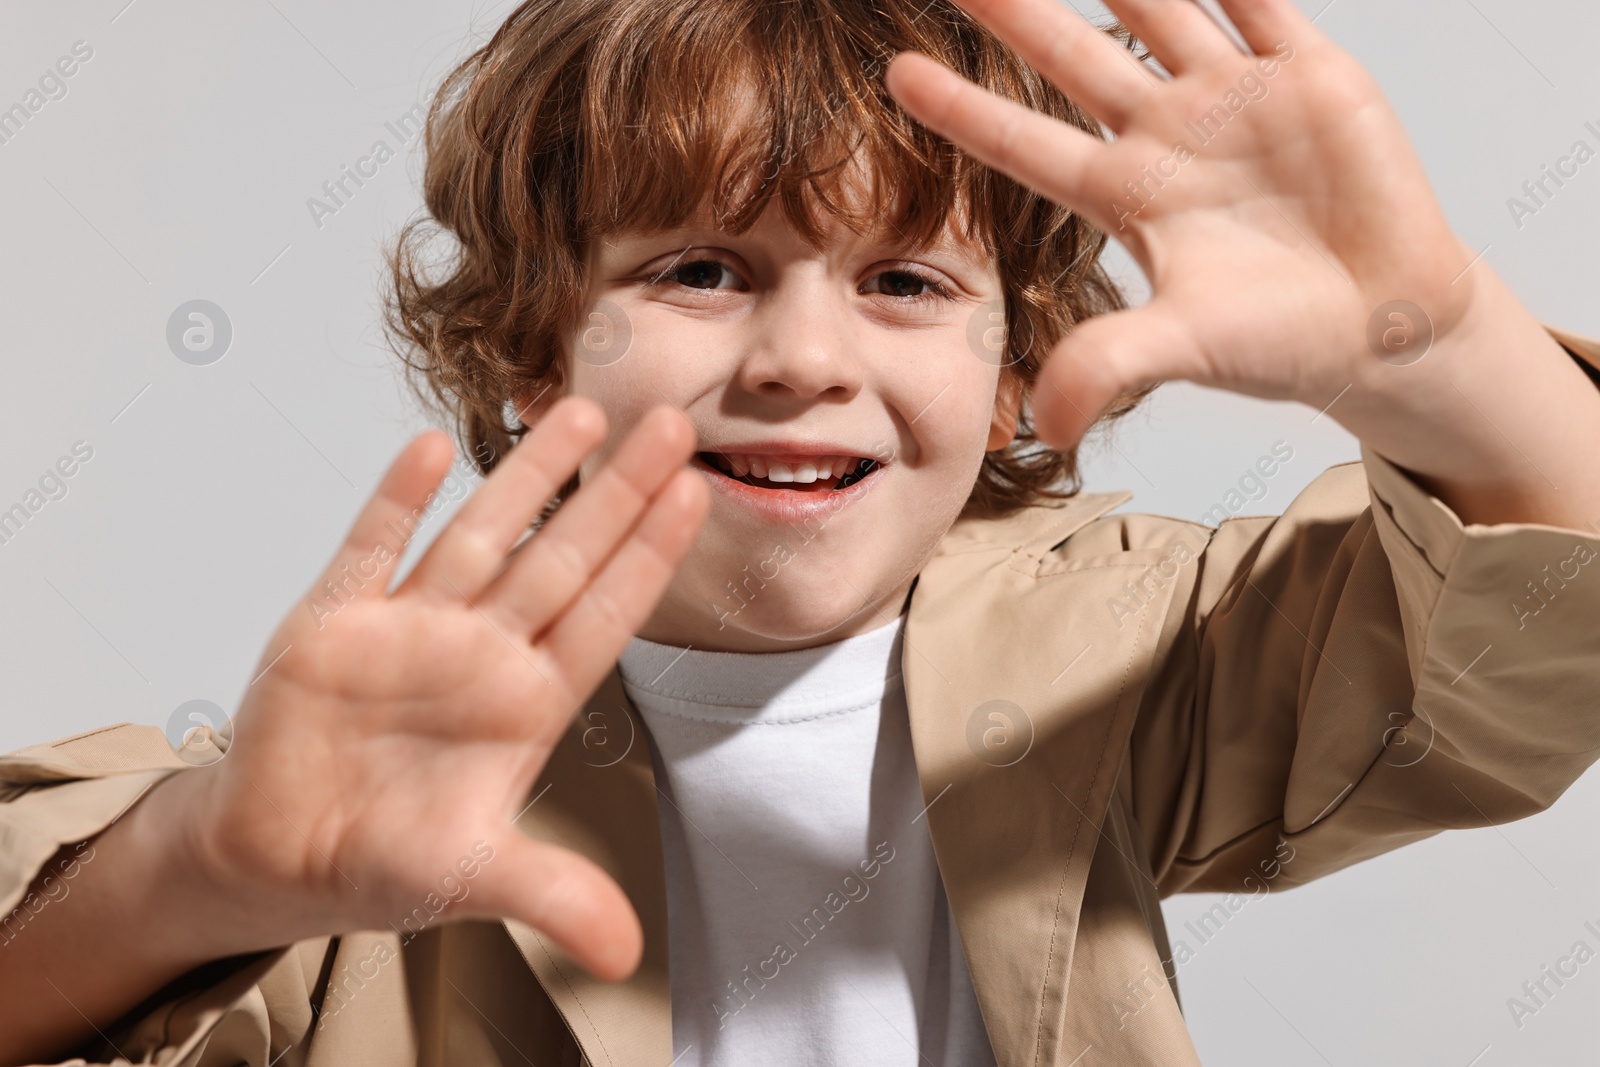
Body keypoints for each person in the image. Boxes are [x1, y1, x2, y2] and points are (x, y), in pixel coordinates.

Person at [3, 0, 1599, 1063]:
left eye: (906, 282)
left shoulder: (1122, 651)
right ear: (529, 343)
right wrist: (192, 871)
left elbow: (1518, 650)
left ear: (1012, 376)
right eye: (701, 269)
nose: (802, 362)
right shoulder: (374, 763)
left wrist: (1442, 359)